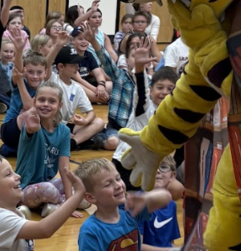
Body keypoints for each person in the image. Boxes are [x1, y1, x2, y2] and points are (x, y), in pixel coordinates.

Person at [13, 78, 82, 218]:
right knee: (48, 190)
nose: (45, 104)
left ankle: (51, 206)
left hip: (47, 182)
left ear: (59, 105)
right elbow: (31, 128)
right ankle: (58, 204)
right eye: (41, 100)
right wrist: (70, 205)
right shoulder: (32, 124)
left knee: (77, 181)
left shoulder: (63, 131)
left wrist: (70, 199)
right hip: (24, 188)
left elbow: (64, 169)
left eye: (52, 101)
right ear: (34, 102)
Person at [113, 61, 177, 189]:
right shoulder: (144, 108)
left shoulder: (174, 113)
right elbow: (141, 91)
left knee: (176, 189)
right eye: (160, 87)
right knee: (129, 201)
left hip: (150, 164)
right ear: (151, 91)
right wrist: (140, 67)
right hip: (125, 162)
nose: (164, 92)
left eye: (170, 89)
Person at [52, 44, 114, 150]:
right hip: (50, 126)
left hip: (66, 126)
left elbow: (91, 112)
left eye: (78, 64)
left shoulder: (77, 88)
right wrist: (57, 44)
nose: (77, 67)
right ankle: (80, 140)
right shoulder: (52, 79)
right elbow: (47, 64)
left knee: (98, 122)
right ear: (61, 66)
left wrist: (85, 121)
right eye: (73, 65)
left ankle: (72, 143)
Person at [0, 50, 49, 155]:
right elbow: (28, 106)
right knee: (32, 111)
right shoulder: (19, 82)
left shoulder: (46, 88)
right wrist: (19, 48)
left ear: (45, 73)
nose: (35, 76)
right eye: (30, 72)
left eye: (39, 72)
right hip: (9, 129)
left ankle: (13, 149)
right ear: (24, 71)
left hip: (30, 131)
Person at [69, 27, 112, 103]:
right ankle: (105, 100)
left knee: (110, 84)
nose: (84, 42)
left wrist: (101, 85)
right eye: (80, 39)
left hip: (87, 84)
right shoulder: (70, 55)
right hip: (74, 85)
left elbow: (98, 73)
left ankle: (98, 98)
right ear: (73, 40)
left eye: (86, 39)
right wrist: (96, 90)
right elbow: (79, 80)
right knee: (78, 86)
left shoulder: (89, 54)